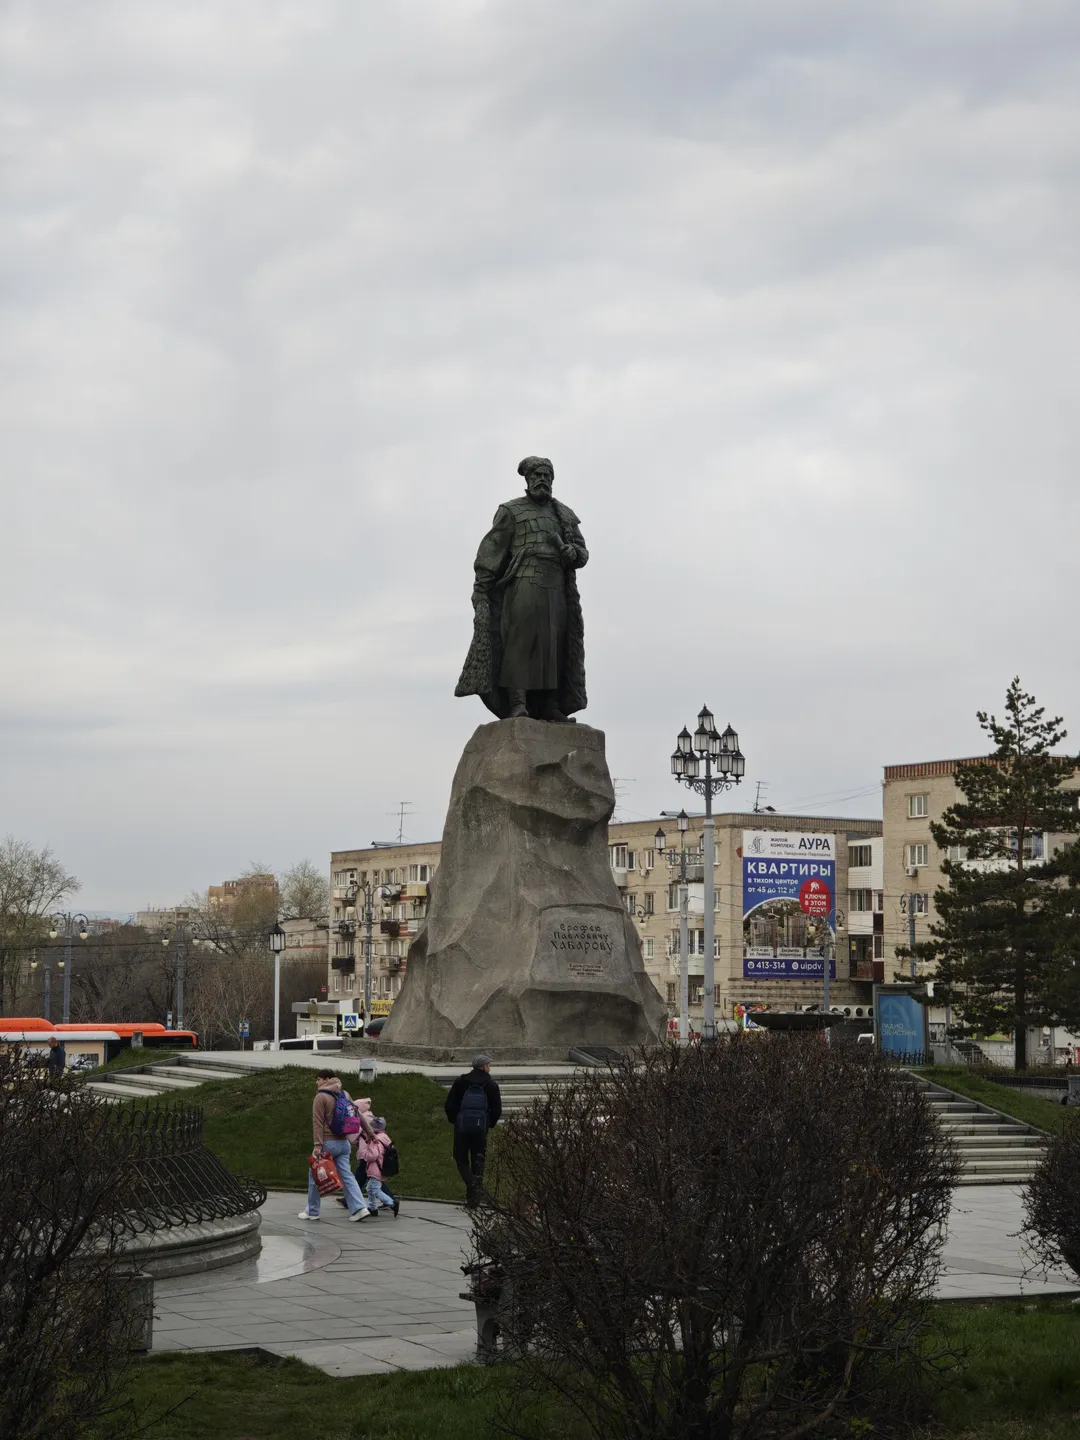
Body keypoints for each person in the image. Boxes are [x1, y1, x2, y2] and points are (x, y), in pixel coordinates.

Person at [455, 456, 589, 722]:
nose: (542, 480)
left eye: (546, 476)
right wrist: (480, 589)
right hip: (523, 583)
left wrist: (570, 551)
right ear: (527, 480)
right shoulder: (511, 511)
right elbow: (491, 552)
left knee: (555, 644)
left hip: (556, 586)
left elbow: (583, 554)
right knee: (521, 642)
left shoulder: (564, 515)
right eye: (537, 475)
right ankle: (518, 702)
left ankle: (550, 704)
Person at [298, 1070, 370, 1222]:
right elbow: (358, 1115)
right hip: (344, 1143)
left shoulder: (320, 1097)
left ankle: (312, 1211)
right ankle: (360, 1208)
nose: (316, 1082)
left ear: (326, 1079)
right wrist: (371, 1133)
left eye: (318, 1079)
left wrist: (318, 1145)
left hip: (327, 1144)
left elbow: (317, 1123)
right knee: (348, 1176)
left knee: (315, 1176)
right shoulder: (344, 1094)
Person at [444, 1053, 502, 1207]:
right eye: (489, 1065)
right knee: (478, 1161)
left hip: (461, 1128)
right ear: (484, 1067)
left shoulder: (461, 1081)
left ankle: (470, 1183)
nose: (490, 1067)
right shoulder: (491, 1085)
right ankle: (474, 1199)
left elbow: (449, 1105)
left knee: (460, 1158)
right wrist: (489, 1124)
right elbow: (497, 1109)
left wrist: (455, 1120)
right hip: (480, 1129)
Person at [358, 1117, 400, 1219]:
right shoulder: (385, 1137)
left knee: (375, 1189)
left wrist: (365, 1154)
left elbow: (373, 1155)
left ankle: (392, 1203)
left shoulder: (375, 1139)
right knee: (370, 1188)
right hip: (382, 1166)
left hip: (375, 1167)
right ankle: (372, 1208)